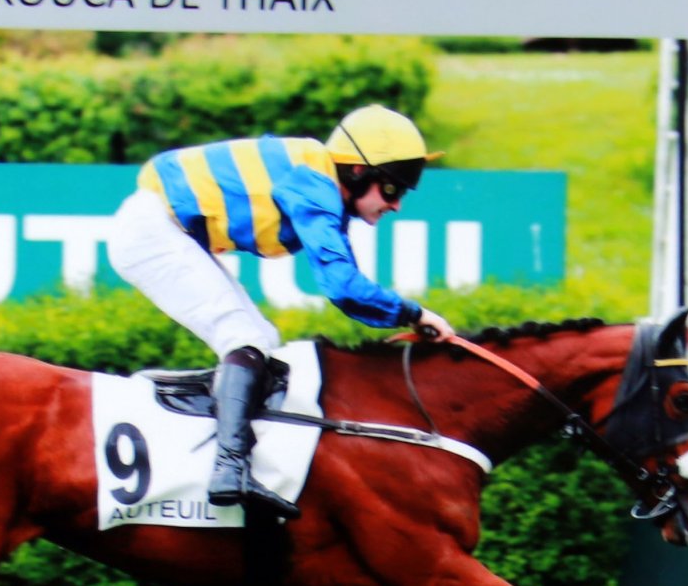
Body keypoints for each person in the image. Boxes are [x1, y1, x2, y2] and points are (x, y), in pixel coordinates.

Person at [107, 104, 455, 517]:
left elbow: (347, 289)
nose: (396, 205)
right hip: (152, 231)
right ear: (358, 171)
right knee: (245, 340)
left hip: (160, 226)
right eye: (393, 190)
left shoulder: (320, 180)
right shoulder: (314, 184)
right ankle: (228, 469)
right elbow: (344, 287)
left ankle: (237, 463)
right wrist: (414, 315)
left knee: (262, 342)